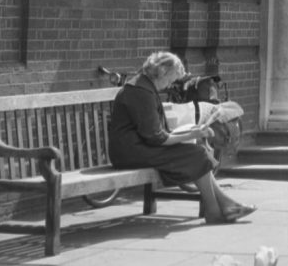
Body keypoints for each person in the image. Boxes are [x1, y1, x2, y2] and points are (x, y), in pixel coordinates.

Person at [108, 51, 256, 225]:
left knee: (196, 153)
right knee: (196, 154)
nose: (169, 85)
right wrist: (192, 134)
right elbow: (158, 139)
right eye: (170, 79)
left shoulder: (143, 86)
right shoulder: (141, 92)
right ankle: (217, 209)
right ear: (162, 72)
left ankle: (221, 206)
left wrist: (190, 132)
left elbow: (155, 134)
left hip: (136, 147)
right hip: (130, 152)